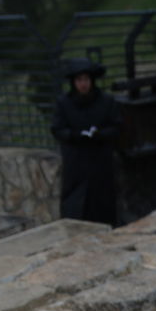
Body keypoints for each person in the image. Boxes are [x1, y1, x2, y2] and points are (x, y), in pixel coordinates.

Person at [51, 58, 122, 224]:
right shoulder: (64, 103)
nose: (83, 84)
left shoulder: (106, 102)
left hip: (100, 162)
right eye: (79, 80)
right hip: (76, 163)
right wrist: (75, 135)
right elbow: (57, 129)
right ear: (73, 82)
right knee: (76, 206)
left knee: (102, 204)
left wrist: (100, 134)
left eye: (86, 79)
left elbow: (117, 127)